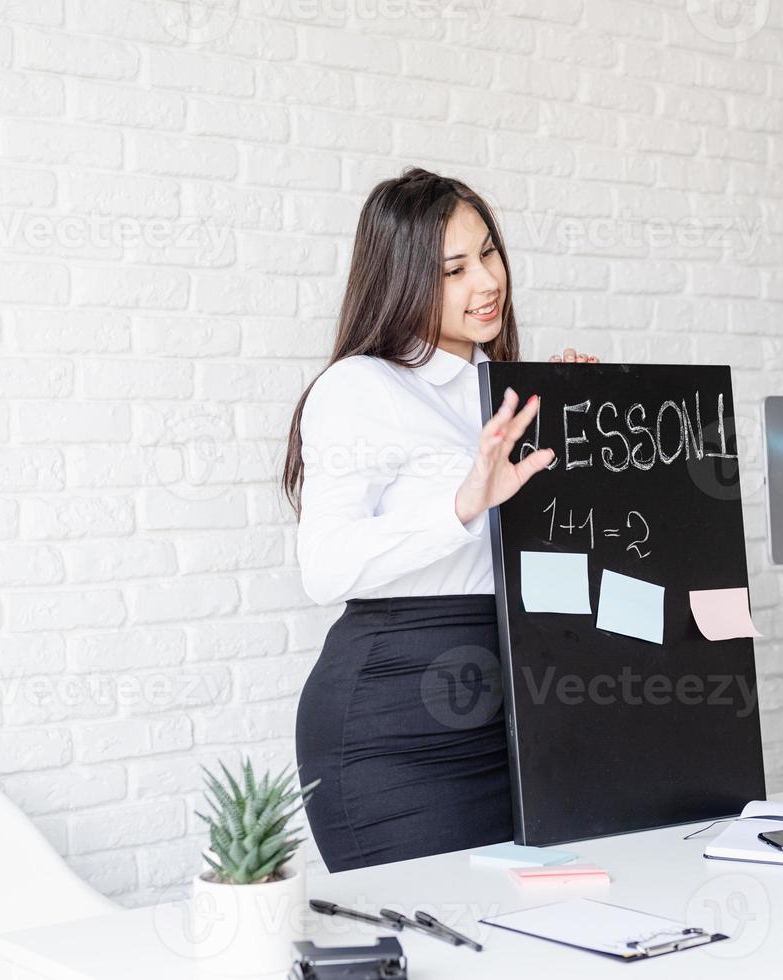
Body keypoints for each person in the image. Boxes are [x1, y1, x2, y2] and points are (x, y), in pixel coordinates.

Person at [282, 167, 596, 872]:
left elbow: (554, 564)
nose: (485, 282)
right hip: (395, 726)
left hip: (514, 715)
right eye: (453, 269)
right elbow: (324, 568)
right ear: (398, 278)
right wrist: (460, 503)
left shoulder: (510, 393)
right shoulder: (361, 386)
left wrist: (588, 425)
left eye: (488, 254)